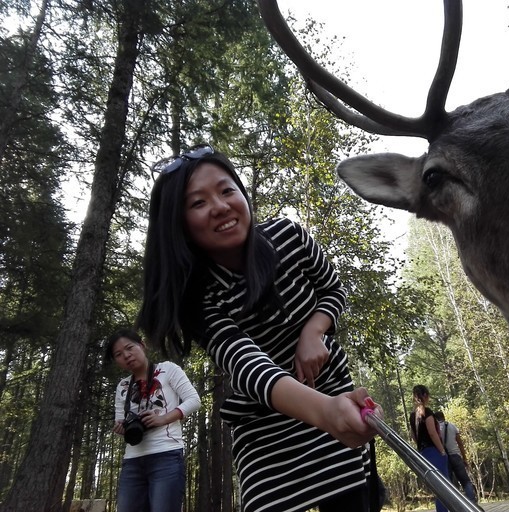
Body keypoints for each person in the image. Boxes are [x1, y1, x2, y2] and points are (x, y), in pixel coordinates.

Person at [136, 144, 381, 512]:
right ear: (179, 224)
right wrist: (325, 411)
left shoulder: (288, 235)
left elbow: (334, 289)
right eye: (198, 203)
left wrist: (313, 331)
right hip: (265, 425)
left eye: (226, 190)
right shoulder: (195, 297)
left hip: (334, 394)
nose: (220, 206)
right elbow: (249, 366)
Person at [106, 328, 201, 512]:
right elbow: (120, 419)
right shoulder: (123, 385)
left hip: (166, 456)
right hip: (132, 461)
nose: (126, 355)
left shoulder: (168, 369)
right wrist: (121, 427)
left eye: (129, 348)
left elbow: (194, 401)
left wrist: (163, 418)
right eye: (118, 354)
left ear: (142, 345)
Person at [409, 385, 449, 512]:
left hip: (423, 453)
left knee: (437, 487)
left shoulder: (412, 416)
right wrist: (442, 451)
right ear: (425, 395)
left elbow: (413, 436)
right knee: (444, 487)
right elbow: (433, 433)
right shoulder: (428, 412)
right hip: (434, 451)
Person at [435, 410, 478, 503]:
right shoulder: (452, 426)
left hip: (444, 458)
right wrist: (464, 458)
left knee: (449, 483)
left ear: (435, 419)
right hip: (456, 456)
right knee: (465, 480)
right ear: (444, 417)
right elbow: (460, 443)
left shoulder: (436, 428)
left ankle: (455, 504)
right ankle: (472, 502)